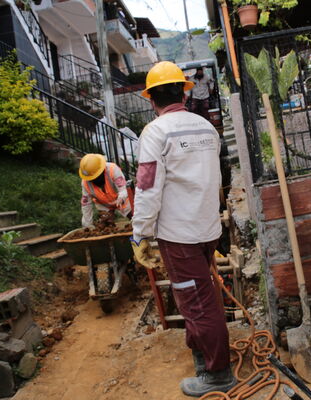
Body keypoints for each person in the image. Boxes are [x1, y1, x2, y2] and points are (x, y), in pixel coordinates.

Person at [130, 61, 236, 397]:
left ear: (151, 99)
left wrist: (140, 234)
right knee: (198, 296)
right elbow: (217, 178)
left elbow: (147, 188)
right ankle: (202, 354)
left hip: (179, 236)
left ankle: (218, 374)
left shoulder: (156, 132)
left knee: (197, 303)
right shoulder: (206, 127)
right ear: (184, 92)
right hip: (206, 229)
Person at [79, 153, 132, 228]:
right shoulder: (85, 183)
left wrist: (121, 198)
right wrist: (87, 225)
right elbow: (86, 205)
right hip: (104, 204)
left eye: (95, 177)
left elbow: (123, 188)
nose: (93, 180)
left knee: (134, 216)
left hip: (121, 199)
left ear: (101, 171)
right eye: (91, 179)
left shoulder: (112, 169)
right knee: (105, 224)